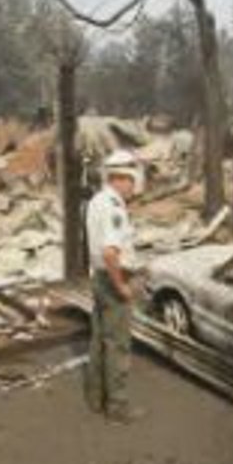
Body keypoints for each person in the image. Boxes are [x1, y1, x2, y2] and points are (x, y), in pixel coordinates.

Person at [86, 151, 146, 423]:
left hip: (98, 277)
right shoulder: (113, 207)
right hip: (113, 277)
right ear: (121, 178)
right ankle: (117, 405)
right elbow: (111, 252)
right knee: (118, 345)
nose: (134, 187)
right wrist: (121, 285)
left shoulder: (97, 201)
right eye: (131, 181)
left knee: (100, 340)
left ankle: (96, 398)